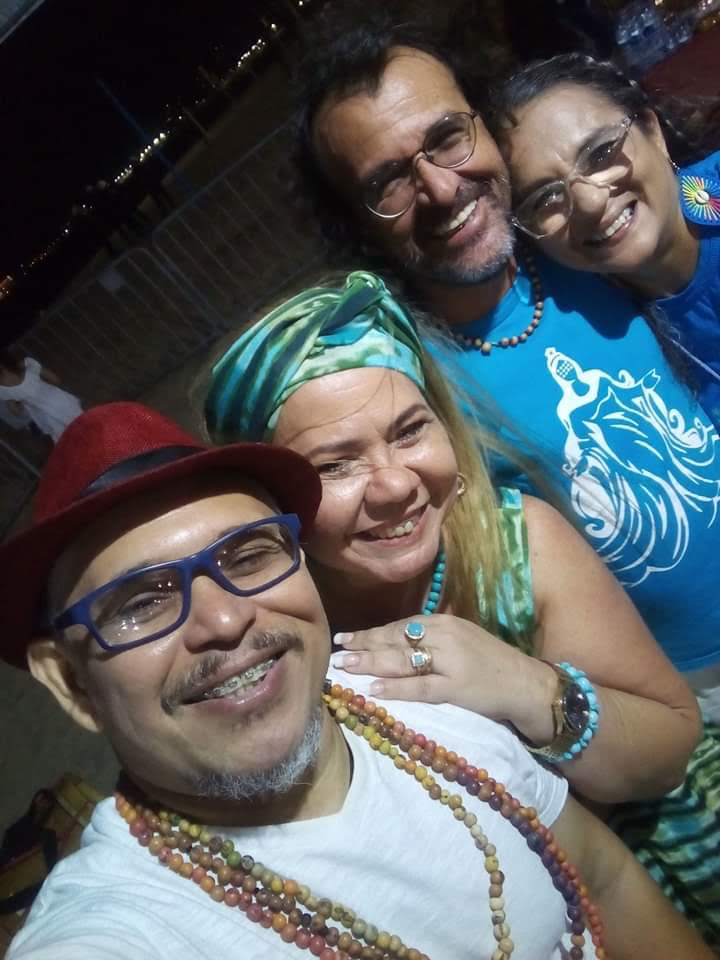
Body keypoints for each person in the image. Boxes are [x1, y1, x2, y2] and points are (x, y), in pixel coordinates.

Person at [1, 402, 710, 960]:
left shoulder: (420, 686)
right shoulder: (122, 928)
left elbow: (603, 877)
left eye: (248, 555)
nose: (223, 620)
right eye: (141, 603)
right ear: (70, 684)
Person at [203, 270, 720, 943]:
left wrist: (527, 687)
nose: (395, 485)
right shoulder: (287, 641)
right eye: (335, 465)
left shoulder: (517, 544)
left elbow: (670, 748)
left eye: (410, 430)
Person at [290, 4, 720, 716]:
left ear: (486, 125)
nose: (441, 188)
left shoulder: (577, 238)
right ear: (357, 226)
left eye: (447, 138)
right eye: (388, 182)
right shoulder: (409, 388)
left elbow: (689, 217)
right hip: (691, 695)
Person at [486, 52, 720, 430]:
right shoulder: (605, 332)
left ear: (652, 130)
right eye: (546, 198)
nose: (590, 202)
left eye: (600, 154)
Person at [0, 350, 83, 443]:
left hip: (46, 416)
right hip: (60, 401)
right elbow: (55, 379)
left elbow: (16, 411)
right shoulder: (28, 364)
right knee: (86, 424)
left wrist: (22, 400)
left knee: (68, 440)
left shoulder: (3, 390)